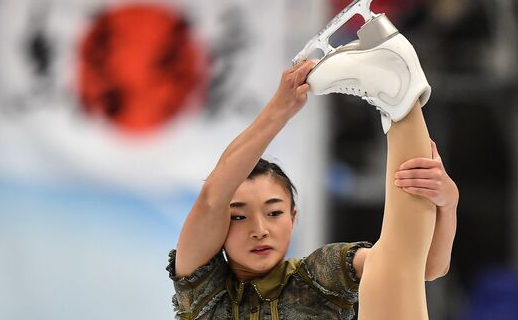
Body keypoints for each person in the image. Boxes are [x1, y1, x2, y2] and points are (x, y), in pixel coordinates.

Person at [166, 59, 459, 319]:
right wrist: (279, 110)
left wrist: (447, 204)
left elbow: (418, 267)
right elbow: (212, 198)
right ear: (220, 229)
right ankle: (397, 92)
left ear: (292, 217)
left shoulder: (316, 276)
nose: (259, 229)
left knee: (392, 262)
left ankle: (398, 95)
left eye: (274, 212)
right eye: (239, 217)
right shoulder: (204, 293)